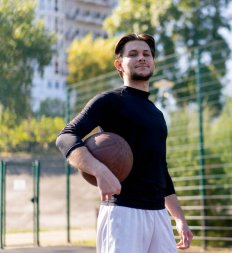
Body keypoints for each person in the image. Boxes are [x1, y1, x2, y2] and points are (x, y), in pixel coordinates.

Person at [56, 33, 193, 253]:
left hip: (158, 215)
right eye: (133, 54)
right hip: (123, 212)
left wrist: (178, 218)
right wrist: (99, 170)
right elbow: (66, 136)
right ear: (119, 64)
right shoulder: (109, 101)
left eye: (146, 54)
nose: (142, 58)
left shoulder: (157, 114)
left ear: (153, 62)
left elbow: (161, 170)